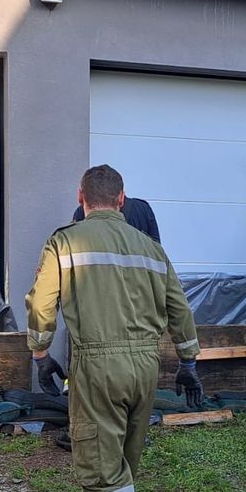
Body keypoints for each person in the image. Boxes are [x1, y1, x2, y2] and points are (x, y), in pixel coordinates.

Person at [26, 164, 203, 492]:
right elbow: (178, 306)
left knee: (101, 470)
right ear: (122, 200)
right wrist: (188, 361)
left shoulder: (65, 241)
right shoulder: (150, 247)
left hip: (97, 363)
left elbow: (42, 302)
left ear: (81, 197)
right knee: (123, 458)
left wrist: (40, 353)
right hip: (146, 366)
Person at [58, 183, 163, 451]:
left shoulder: (81, 217)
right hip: (138, 310)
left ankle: (83, 433)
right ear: (120, 196)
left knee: (89, 377)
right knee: (132, 374)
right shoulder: (143, 209)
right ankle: (135, 433)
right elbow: (158, 253)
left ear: (84, 196)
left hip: (97, 311)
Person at [71, 192, 160, 242]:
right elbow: (158, 251)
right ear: (121, 197)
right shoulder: (142, 209)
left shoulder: (81, 212)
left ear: (81, 196)